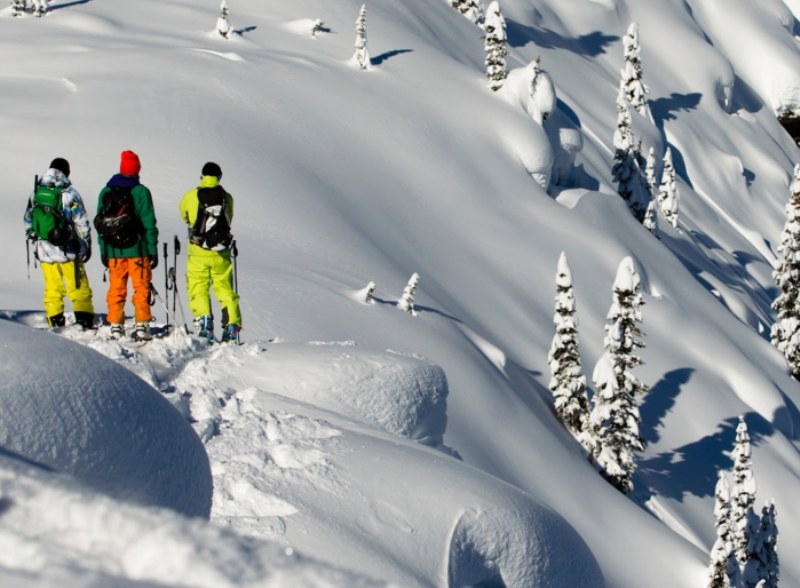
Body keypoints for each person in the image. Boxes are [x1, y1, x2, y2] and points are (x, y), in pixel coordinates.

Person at [24, 157, 95, 330]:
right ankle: (84, 321)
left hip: (44, 250)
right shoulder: (69, 193)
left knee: (52, 289)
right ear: (66, 172)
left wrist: (37, 239)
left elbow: (28, 219)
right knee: (78, 286)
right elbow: (81, 220)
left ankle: (54, 321)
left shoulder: (36, 192)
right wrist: (86, 243)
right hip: (68, 249)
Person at [96, 150, 159, 340]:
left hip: (113, 250)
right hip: (137, 249)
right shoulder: (141, 192)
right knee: (141, 287)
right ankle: (142, 324)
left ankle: (116, 324)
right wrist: (152, 249)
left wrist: (103, 250)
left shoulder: (106, 191)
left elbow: (101, 225)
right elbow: (149, 223)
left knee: (116, 288)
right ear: (137, 169)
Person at [179, 161, 242, 343]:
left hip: (198, 250)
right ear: (219, 177)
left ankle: (204, 322)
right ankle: (231, 326)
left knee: (198, 287)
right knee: (225, 290)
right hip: (221, 251)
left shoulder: (191, 195)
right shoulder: (226, 197)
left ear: (202, 175)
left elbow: (184, 215)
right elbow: (229, 218)